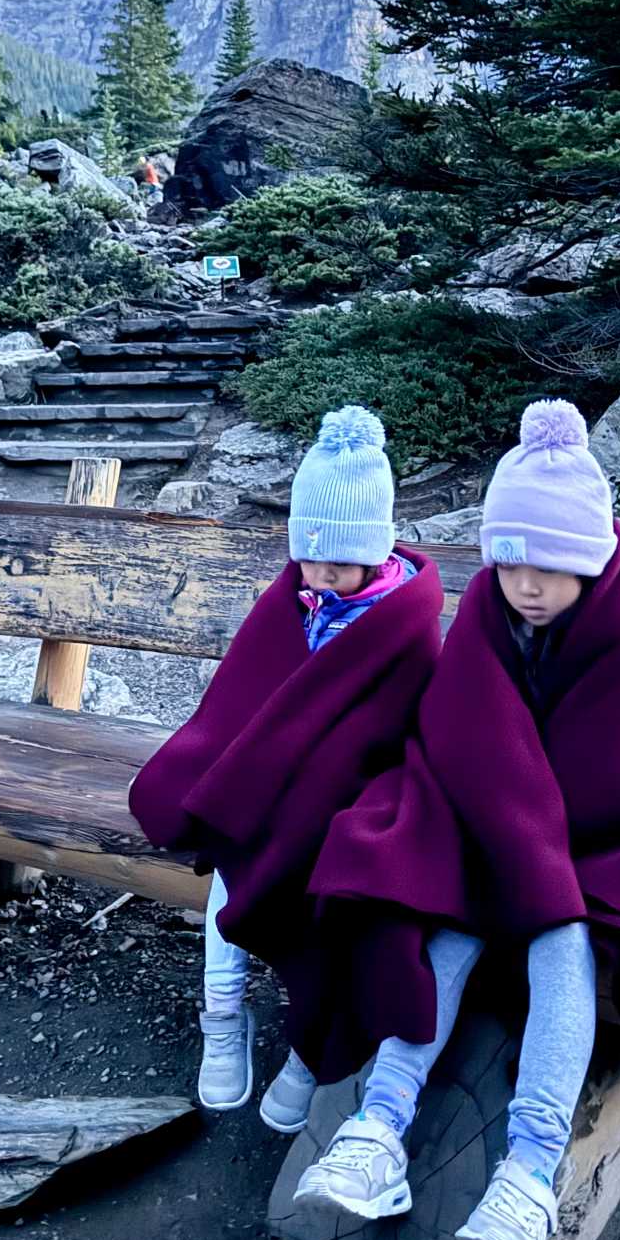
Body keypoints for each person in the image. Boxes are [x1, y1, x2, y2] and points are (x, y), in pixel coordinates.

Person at [297, 399, 620, 1240]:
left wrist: (546, 854)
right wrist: (507, 832)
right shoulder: (486, 621)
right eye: (511, 563)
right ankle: (376, 1130)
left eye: (551, 566)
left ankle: (530, 1172)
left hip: (599, 857)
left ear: (590, 557)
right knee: (443, 927)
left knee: (561, 943)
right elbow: (460, 733)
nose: (528, 586)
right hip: (495, 838)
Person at [129, 405, 445, 1132]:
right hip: (271, 787)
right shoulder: (294, 600)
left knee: (347, 893)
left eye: (340, 562)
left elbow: (402, 731)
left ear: (376, 551)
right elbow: (243, 700)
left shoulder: (403, 622)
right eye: (310, 558)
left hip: (351, 800)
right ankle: (223, 1009)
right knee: (233, 848)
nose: (323, 575)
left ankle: (310, 1051)